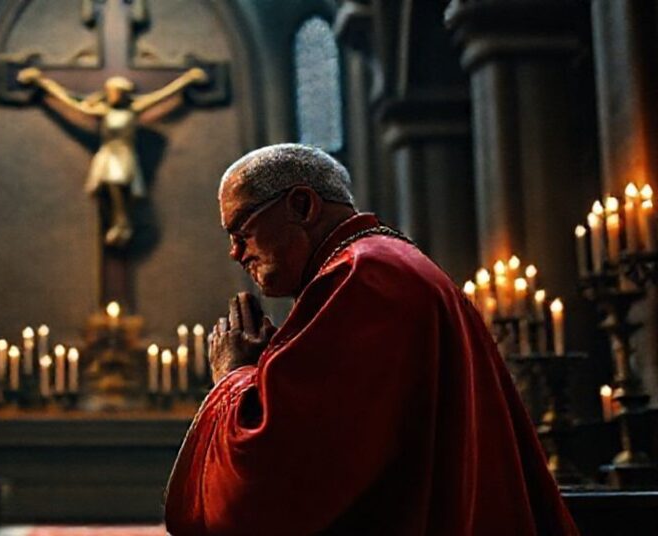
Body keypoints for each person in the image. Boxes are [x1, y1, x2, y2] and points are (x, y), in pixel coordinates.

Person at [164, 144, 578, 535]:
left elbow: (287, 472)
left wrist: (233, 375)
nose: (236, 252)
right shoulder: (381, 262)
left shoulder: (363, 278)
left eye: (242, 229)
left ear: (301, 205)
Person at [17, 66, 208, 247]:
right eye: (113, 92)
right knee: (110, 185)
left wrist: (187, 80)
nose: (116, 95)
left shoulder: (133, 110)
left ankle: (123, 222)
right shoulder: (102, 111)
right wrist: (42, 83)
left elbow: (162, 95)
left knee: (120, 182)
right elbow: (70, 102)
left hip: (124, 153)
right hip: (109, 154)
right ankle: (119, 222)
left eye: (119, 92)